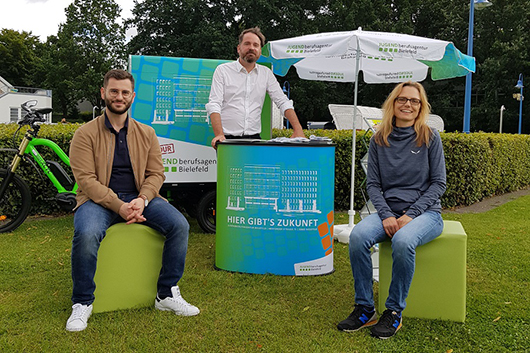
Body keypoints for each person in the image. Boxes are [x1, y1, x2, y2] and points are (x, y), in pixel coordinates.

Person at [66, 69, 199, 332]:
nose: (119, 96)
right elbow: (87, 181)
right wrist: (120, 206)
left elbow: (156, 174)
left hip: (139, 198)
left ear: (133, 96)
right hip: (97, 201)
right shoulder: (84, 134)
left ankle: (166, 295)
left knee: (179, 225)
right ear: (103, 93)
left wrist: (142, 199)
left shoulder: (146, 133)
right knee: (87, 232)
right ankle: (82, 302)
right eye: (114, 91)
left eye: (125, 92)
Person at [337, 81, 446, 339]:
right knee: (358, 237)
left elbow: (438, 184)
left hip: (427, 214)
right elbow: (373, 184)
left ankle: (394, 312)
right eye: (403, 99)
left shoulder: (430, 137)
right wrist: (386, 215)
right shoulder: (378, 138)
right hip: (389, 211)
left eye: (414, 101)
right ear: (393, 103)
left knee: (403, 240)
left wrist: (410, 215)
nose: (408, 104)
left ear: (421, 107)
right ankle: (364, 308)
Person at [205, 27, 304, 148]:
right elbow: (214, 104)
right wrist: (219, 134)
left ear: (260, 51)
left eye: (256, 45)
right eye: (247, 43)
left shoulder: (266, 73)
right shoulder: (222, 71)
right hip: (227, 140)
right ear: (238, 48)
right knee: (229, 168)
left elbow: (282, 101)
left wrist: (298, 129)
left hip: (254, 140)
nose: (251, 47)